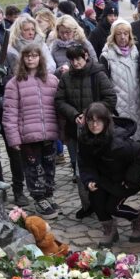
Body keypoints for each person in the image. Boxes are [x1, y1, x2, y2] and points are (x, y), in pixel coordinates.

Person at [56, 45, 117, 219]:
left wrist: (91, 114)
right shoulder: (66, 77)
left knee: (102, 167)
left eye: (79, 59)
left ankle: (105, 204)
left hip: (98, 130)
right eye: (72, 60)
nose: (76, 63)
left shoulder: (98, 75)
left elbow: (110, 98)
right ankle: (87, 204)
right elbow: (59, 101)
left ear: (86, 57)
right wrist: (74, 114)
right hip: (76, 130)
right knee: (79, 169)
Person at [77, 102, 140, 246]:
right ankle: (110, 230)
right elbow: (85, 162)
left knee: (113, 207)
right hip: (103, 178)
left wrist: (131, 179)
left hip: (123, 180)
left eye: (98, 120)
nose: (94, 125)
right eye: (91, 120)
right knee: (96, 201)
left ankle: (139, 219)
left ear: (106, 121)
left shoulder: (118, 141)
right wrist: (89, 179)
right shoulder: (85, 139)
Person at [3, 42, 61, 219]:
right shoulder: (15, 83)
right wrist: (14, 138)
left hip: (48, 133)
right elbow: (10, 112)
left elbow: (58, 106)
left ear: (40, 58)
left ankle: (48, 194)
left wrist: (62, 132)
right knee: (34, 168)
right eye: (27, 56)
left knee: (49, 166)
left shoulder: (52, 80)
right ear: (22, 59)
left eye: (34, 55)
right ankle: (39, 198)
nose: (31, 59)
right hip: (28, 135)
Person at [100, 20, 140, 141]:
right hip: (118, 104)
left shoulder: (135, 52)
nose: (122, 37)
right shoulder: (106, 56)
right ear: (113, 36)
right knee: (121, 139)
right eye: (119, 34)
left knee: (138, 138)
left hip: (137, 102)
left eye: (126, 33)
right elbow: (104, 84)